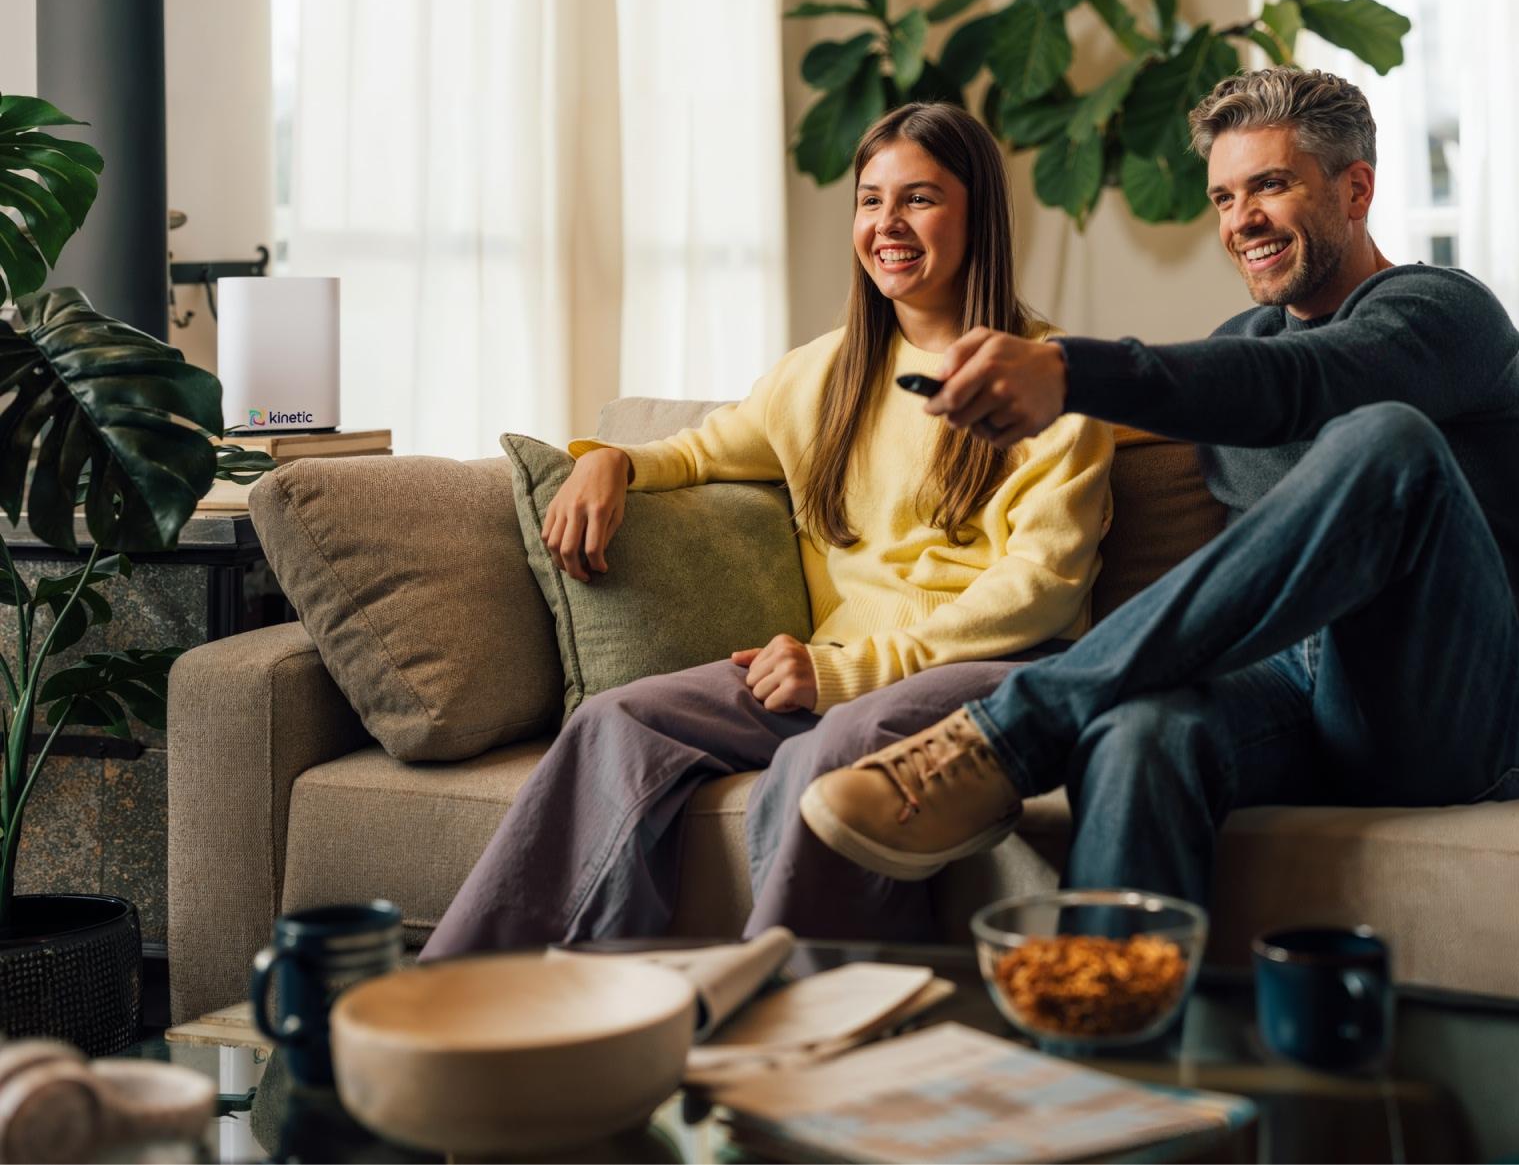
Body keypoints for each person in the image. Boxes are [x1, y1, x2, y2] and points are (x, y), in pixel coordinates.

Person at [798, 67, 1519, 908]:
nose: (1241, 220)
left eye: (1270, 185)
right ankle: (1109, 1020)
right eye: (1222, 197)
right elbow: (1240, 378)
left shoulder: (1443, 312)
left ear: (1356, 190)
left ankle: (1010, 737)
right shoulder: (1236, 348)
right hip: (1290, 699)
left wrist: (1067, 368)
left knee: (1387, 440)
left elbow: (1297, 383)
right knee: (1139, 733)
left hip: (1448, 710)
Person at [422, 102, 1112, 956]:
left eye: (920, 198)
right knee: (614, 721)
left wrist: (845, 672)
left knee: (822, 759)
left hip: (990, 674)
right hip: (832, 675)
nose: (887, 224)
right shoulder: (824, 372)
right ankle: (475, 995)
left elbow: (1040, 590)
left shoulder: (1052, 383)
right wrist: (613, 462)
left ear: (979, 215)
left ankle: (803, 1027)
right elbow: (706, 448)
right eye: (870, 200)